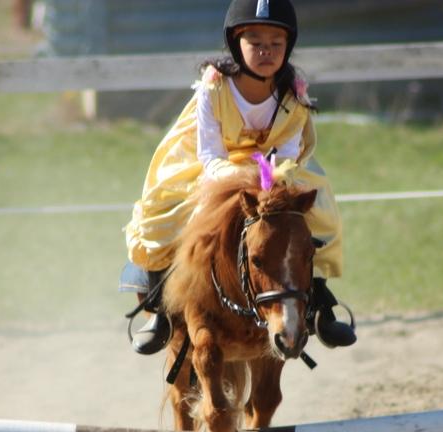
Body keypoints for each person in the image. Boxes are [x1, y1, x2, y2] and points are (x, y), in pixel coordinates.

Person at [120, 0, 356, 355]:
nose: (266, 51)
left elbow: (287, 154)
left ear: (288, 46)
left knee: (322, 214)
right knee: (162, 212)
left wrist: (268, 181)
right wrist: (239, 178)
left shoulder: (293, 94)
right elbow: (209, 153)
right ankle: (160, 309)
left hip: (275, 173)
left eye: (276, 43)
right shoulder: (214, 88)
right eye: (255, 42)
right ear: (236, 44)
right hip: (214, 168)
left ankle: (319, 304)